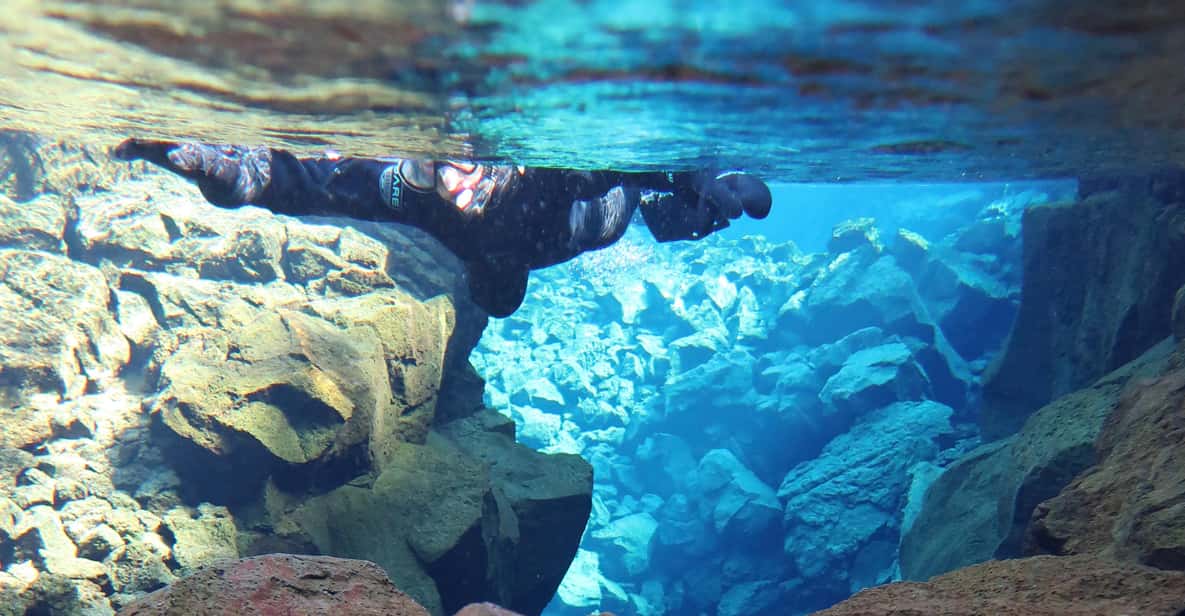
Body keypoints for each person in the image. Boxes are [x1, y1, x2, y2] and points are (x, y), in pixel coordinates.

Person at [112, 139, 772, 317]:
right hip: (598, 213)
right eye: (448, 171)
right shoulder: (534, 204)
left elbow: (306, 187)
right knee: (639, 199)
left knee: (636, 193)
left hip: (576, 210)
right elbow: (610, 171)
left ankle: (697, 203)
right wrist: (702, 180)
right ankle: (698, 210)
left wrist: (228, 174)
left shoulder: (425, 202)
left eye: (452, 171)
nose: (455, 185)